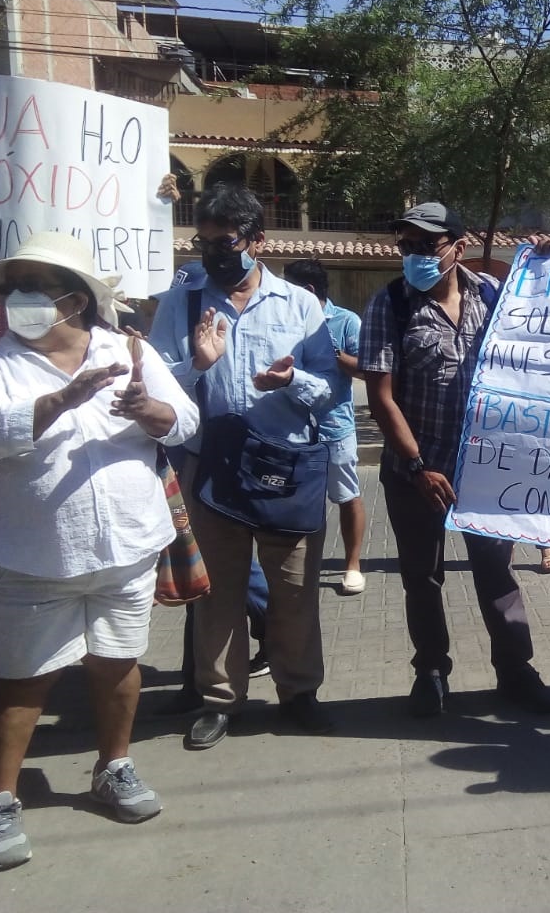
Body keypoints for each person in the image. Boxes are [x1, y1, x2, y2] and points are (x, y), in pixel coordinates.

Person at [0, 231, 199, 870]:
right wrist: (56, 403)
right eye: (10, 286)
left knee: (117, 663)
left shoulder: (129, 348)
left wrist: (150, 410)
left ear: (74, 301)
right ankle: (0, 798)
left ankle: (114, 766)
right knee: (23, 680)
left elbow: (185, 420)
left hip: (128, 547)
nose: (16, 298)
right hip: (34, 556)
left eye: (33, 286)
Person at [149, 183, 339, 751]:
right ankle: (220, 700)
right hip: (212, 471)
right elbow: (155, 385)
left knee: (294, 591)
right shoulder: (181, 302)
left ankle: (298, 692)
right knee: (219, 595)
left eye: (225, 242)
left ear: (257, 241)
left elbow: (331, 390)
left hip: (287, 470)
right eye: (203, 242)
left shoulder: (300, 305)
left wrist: (293, 381)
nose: (213, 254)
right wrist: (196, 364)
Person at [359, 202, 550, 717]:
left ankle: (516, 671)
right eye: (407, 246)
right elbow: (381, 396)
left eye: (427, 245)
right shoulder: (391, 305)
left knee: (496, 574)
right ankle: (431, 672)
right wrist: (419, 464)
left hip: (485, 472)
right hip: (416, 473)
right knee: (422, 578)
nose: (415, 256)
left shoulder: (494, 296)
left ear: (457, 247)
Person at [153, 262, 273, 716]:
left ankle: (270, 628)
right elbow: (161, 385)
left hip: (233, 455)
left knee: (221, 571)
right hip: (186, 455)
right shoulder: (173, 316)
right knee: (197, 572)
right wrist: (196, 364)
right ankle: (196, 682)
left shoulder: (234, 315)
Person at [282, 258, 367, 596]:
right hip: (292, 428)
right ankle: (301, 566)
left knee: (346, 495)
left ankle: (353, 565)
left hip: (335, 426)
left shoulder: (346, 321)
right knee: (298, 502)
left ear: (307, 290)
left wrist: (335, 354)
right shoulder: (284, 321)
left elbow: (365, 368)